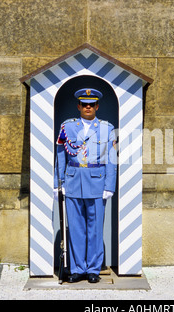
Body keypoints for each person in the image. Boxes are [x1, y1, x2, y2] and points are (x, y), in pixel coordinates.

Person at [54, 88, 117, 283]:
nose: (88, 107)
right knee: (75, 228)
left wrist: (109, 186)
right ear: (78, 106)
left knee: (95, 228)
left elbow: (112, 159)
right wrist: (59, 183)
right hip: (73, 182)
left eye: (92, 104)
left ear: (97, 106)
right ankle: (78, 268)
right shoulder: (67, 127)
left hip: (97, 182)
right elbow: (61, 155)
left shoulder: (107, 128)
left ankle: (93, 269)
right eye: (84, 104)